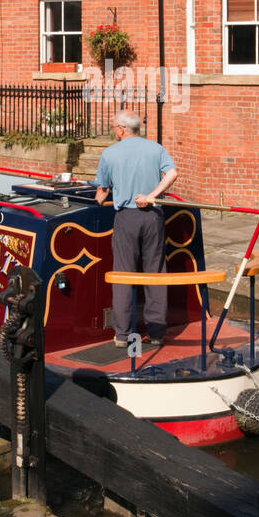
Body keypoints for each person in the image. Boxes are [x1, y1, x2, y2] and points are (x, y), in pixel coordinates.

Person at [94, 110, 178, 348]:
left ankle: (122, 335)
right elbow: (172, 173)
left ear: (121, 129)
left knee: (123, 274)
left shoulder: (110, 153)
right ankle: (157, 333)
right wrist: (151, 195)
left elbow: (103, 191)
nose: (114, 131)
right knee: (155, 273)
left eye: (114, 128)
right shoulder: (156, 148)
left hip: (126, 218)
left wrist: (99, 198)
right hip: (153, 216)